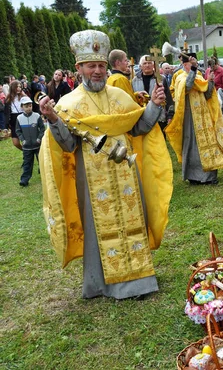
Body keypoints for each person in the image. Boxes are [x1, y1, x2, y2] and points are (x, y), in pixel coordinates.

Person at [38, 29, 173, 299]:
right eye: (91, 66)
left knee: (133, 222)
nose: (97, 71)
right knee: (97, 229)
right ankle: (100, 284)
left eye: (101, 65)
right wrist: (53, 119)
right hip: (92, 179)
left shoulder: (120, 97)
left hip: (126, 172)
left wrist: (155, 107)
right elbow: (68, 144)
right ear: (79, 69)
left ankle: (139, 280)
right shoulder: (68, 103)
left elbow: (139, 128)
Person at [165, 53, 223, 185]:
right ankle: (193, 176)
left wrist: (210, 81)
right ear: (184, 63)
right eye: (190, 62)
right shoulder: (179, 76)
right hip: (189, 116)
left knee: (209, 143)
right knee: (192, 145)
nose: (193, 64)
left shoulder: (199, 75)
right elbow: (186, 87)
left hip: (204, 115)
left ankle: (209, 176)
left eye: (194, 62)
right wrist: (193, 71)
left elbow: (208, 94)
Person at [15, 97, 44, 187]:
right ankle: (24, 180)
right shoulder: (19, 118)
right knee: (27, 163)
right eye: (26, 106)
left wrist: (39, 138)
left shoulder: (37, 116)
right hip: (26, 146)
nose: (28, 108)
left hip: (38, 145)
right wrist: (23, 140)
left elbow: (42, 128)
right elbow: (18, 130)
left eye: (30, 106)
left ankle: (43, 175)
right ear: (22, 107)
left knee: (42, 161)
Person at [4, 80, 31, 150]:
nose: (19, 88)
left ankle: (28, 152)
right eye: (17, 87)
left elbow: (30, 106)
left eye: (20, 87)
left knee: (26, 140)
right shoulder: (8, 98)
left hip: (23, 118)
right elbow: (6, 113)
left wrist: (25, 96)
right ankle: (25, 151)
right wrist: (6, 126)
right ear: (13, 87)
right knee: (15, 143)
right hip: (13, 120)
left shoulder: (23, 96)